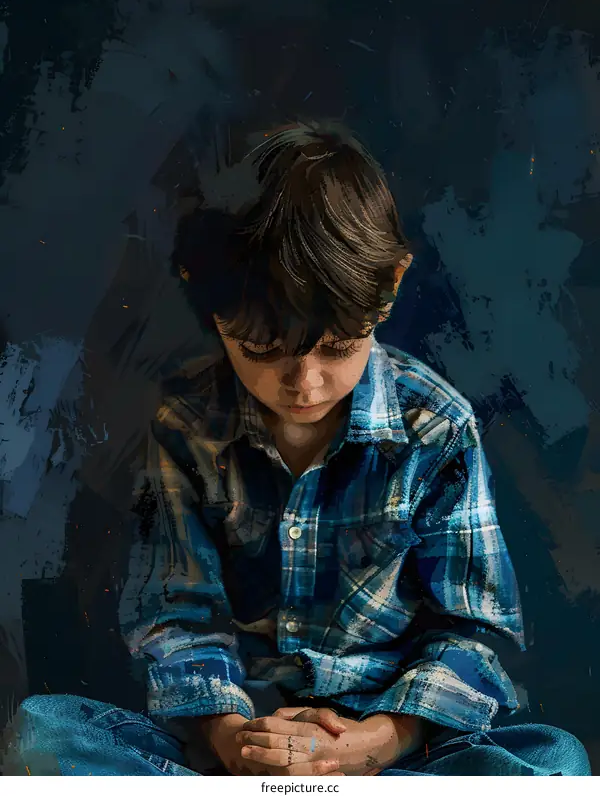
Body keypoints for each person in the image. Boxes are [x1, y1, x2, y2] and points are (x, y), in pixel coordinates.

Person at [3, 121, 590, 776]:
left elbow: (473, 629)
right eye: (262, 350)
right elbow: (177, 617)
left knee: (556, 763)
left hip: (386, 746)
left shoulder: (437, 427)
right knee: (41, 735)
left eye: (337, 348)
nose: (304, 383)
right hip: (235, 742)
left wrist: (367, 747)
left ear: (390, 287)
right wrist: (237, 742)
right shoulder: (187, 423)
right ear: (210, 302)